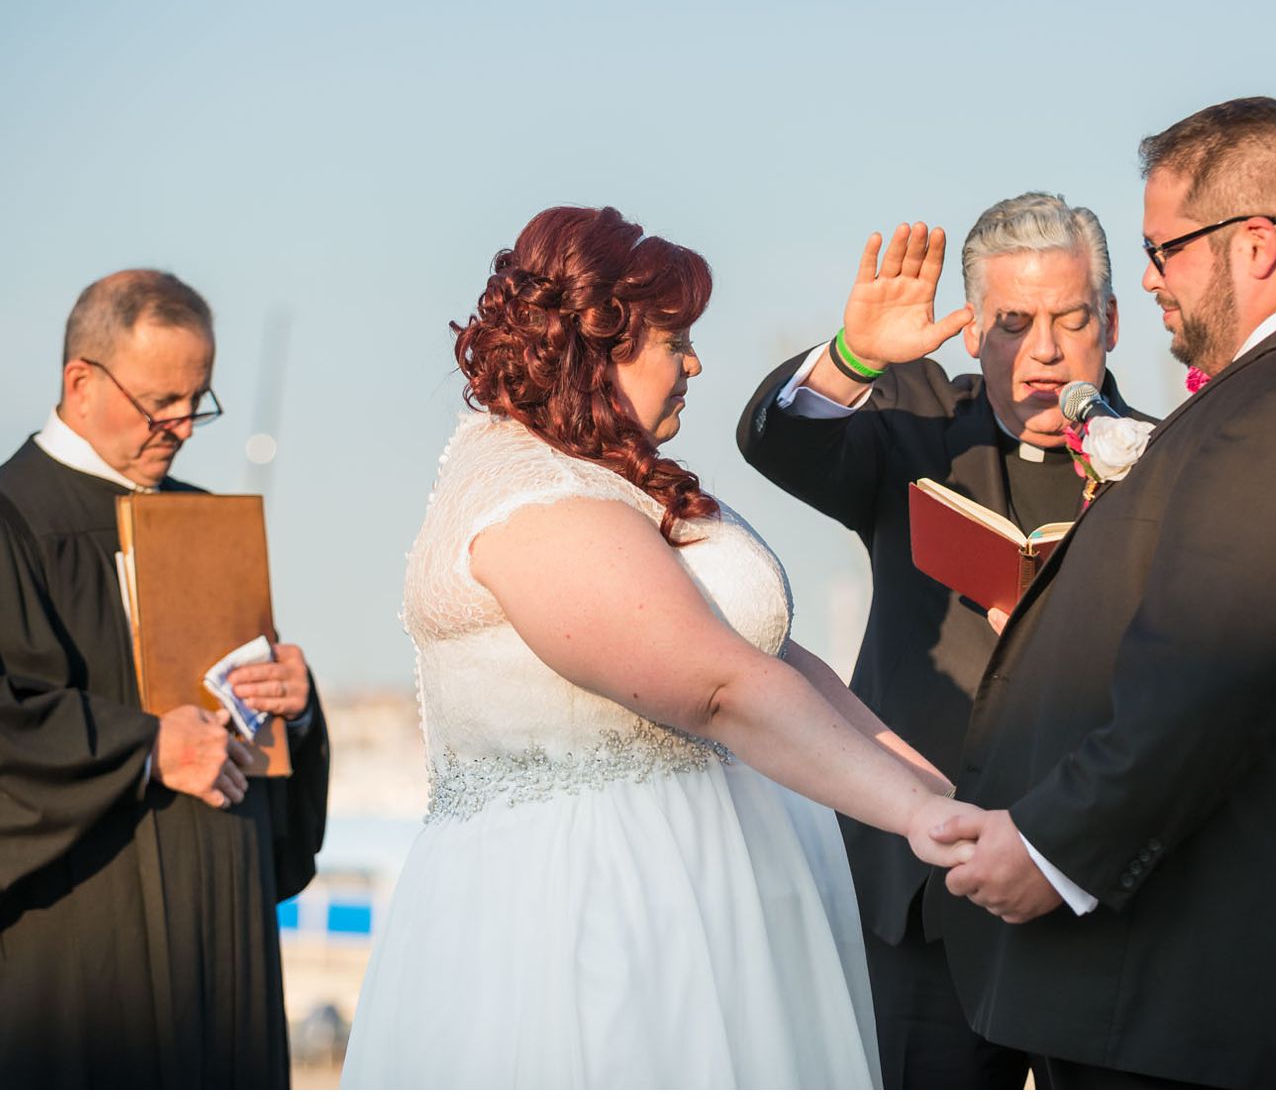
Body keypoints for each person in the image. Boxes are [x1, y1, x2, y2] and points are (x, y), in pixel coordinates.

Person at [339, 206, 982, 1088]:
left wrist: (944, 798)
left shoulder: (617, 475)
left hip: (718, 895)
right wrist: (918, 822)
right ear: (594, 345)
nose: (694, 364)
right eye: (674, 339)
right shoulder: (528, 496)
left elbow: (774, 661)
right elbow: (717, 687)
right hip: (598, 914)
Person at [930, 98, 1276, 1087]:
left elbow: (1206, 687)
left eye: (1162, 247)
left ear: (1255, 244)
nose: (1146, 277)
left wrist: (1048, 848)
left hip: (1237, 1020)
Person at [735, 195, 1152, 1088]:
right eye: (1012, 323)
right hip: (925, 898)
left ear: (1111, 322)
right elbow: (773, 442)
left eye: (1071, 319)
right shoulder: (913, 423)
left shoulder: (1175, 459)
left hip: (1101, 894)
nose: (1044, 350)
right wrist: (852, 361)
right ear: (971, 335)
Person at [0, 270, 331, 1087]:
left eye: (198, 400)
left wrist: (293, 712)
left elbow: (270, 795)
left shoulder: (207, 528)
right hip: (64, 976)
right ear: (80, 382)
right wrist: (145, 750)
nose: (185, 427)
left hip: (212, 966)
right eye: (163, 401)